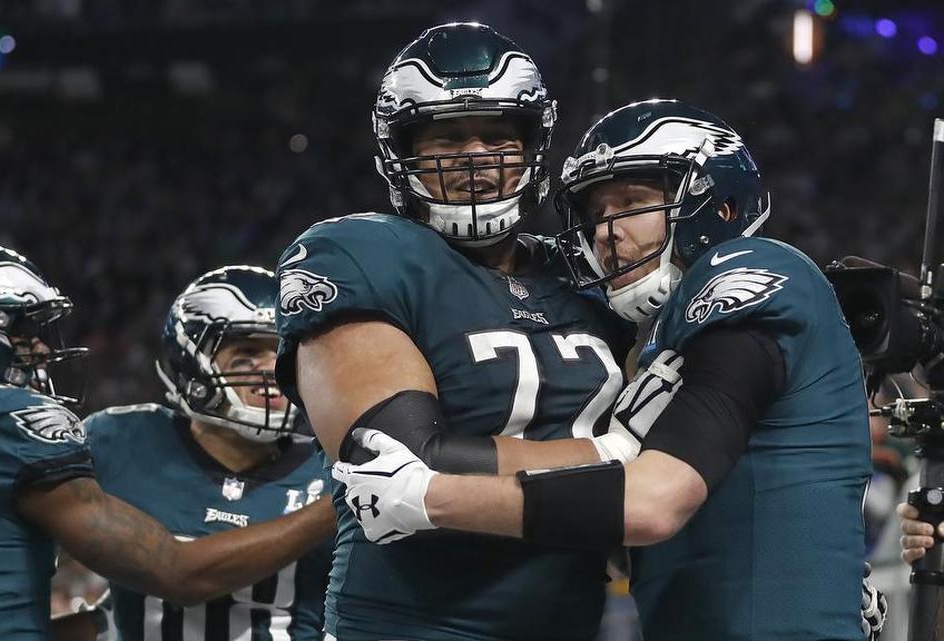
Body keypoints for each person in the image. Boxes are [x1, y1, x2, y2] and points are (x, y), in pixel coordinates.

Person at [331, 100, 880, 641]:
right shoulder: (668, 337)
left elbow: (652, 503)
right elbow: (627, 539)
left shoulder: (750, 270)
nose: (605, 233)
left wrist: (432, 496)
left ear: (722, 208)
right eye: (596, 214)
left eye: (631, 204)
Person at [275, 22, 644, 641]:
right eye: (447, 136)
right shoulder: (359, 252)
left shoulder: (583, 273)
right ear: (400, 151)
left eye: (499, 135)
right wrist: (624, 460)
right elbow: (406, 462)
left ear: (534, 145)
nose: (476, 156)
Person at [0, 244, 332, 640]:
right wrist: (339, 506)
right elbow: (177, 570)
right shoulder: (29, 425)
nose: (40, 353)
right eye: (23, 336)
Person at [83, 265, 332, 641]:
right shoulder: (117, 441)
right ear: (191, 360)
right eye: (247, 353)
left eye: (283, 352)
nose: (273, 370)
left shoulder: (330, 465)